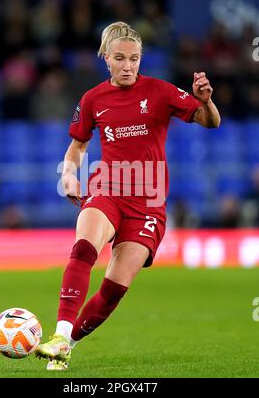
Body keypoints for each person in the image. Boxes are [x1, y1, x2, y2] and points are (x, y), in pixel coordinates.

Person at [35, 21, 221, 370]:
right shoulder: (93, 99)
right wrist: (69, 174)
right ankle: (59, 334)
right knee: (84, 249)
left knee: (112, 292)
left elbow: (210, 122)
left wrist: (207, 102)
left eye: (134, 59)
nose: (127, 66)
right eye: (119, 58)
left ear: (141, 59)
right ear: (105, 58)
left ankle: (67, 345)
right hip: (107, 187)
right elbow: (77, 146)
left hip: (148, 202)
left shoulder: (161, 91)